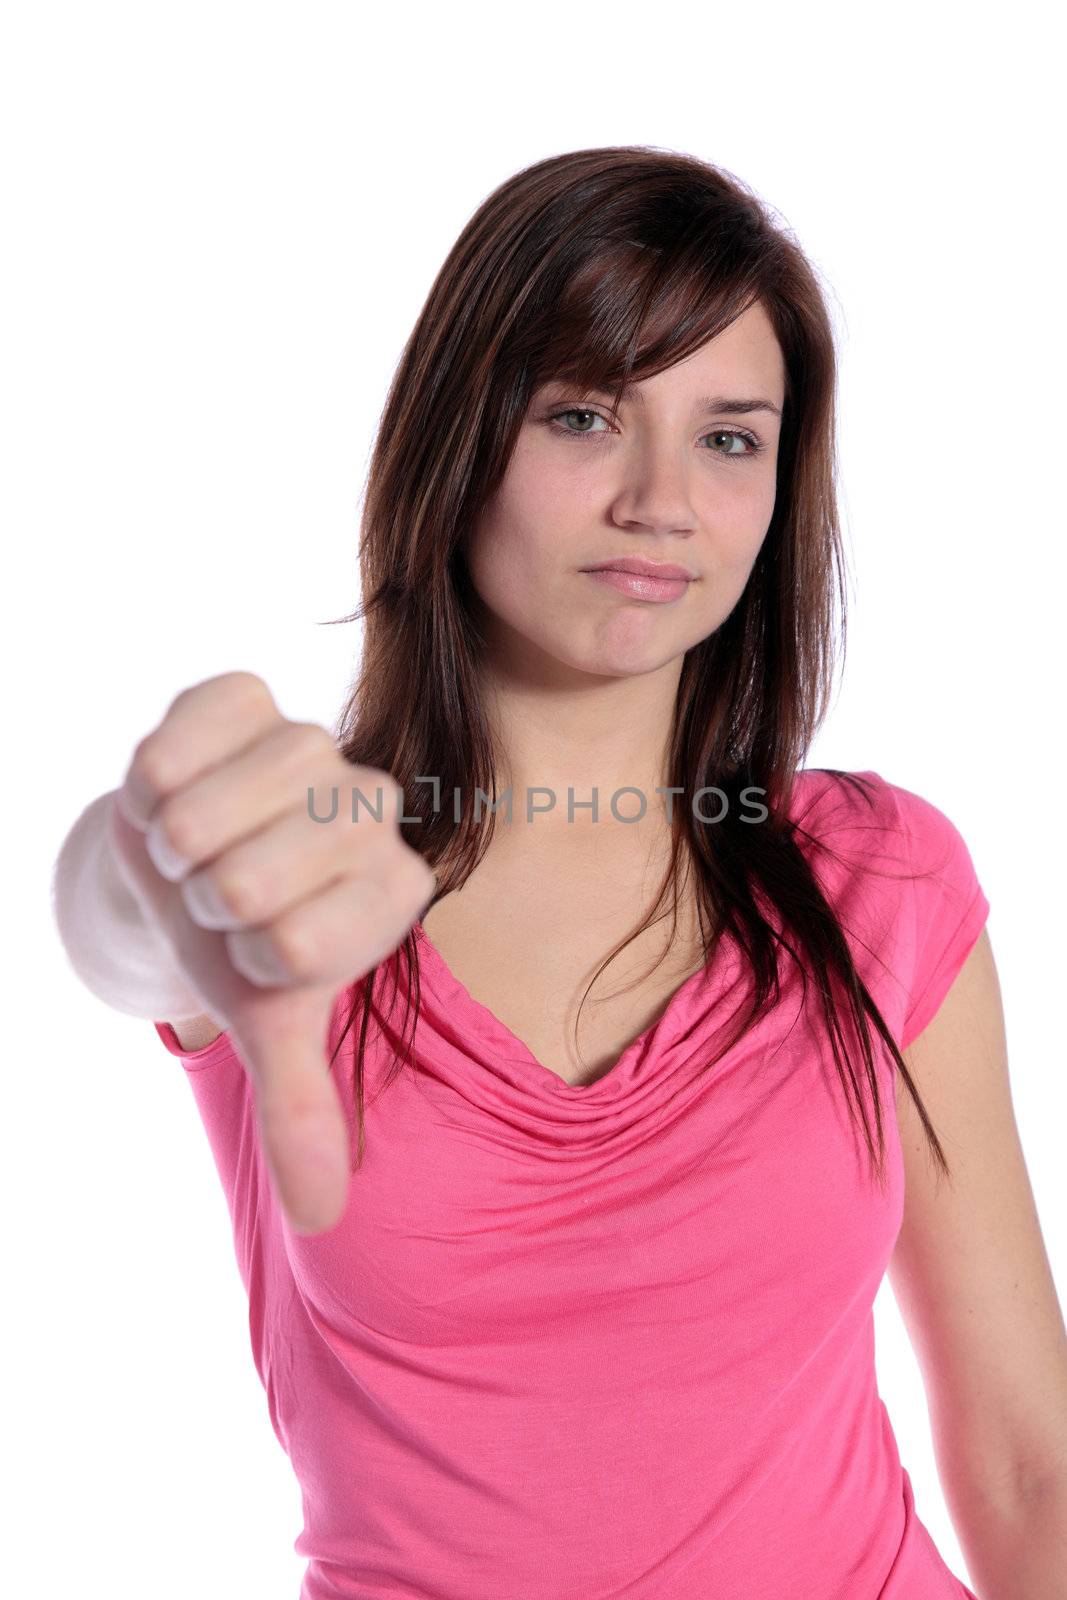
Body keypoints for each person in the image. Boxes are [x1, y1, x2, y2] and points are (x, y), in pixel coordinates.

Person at [51, 146, 1067, 1599]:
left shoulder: (878, 882)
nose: (661, 500)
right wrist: (141, 853)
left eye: (730, 438)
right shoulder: (303, 883)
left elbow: (1033, 1463)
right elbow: (124, 929)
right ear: (459, 443)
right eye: (586, 416)